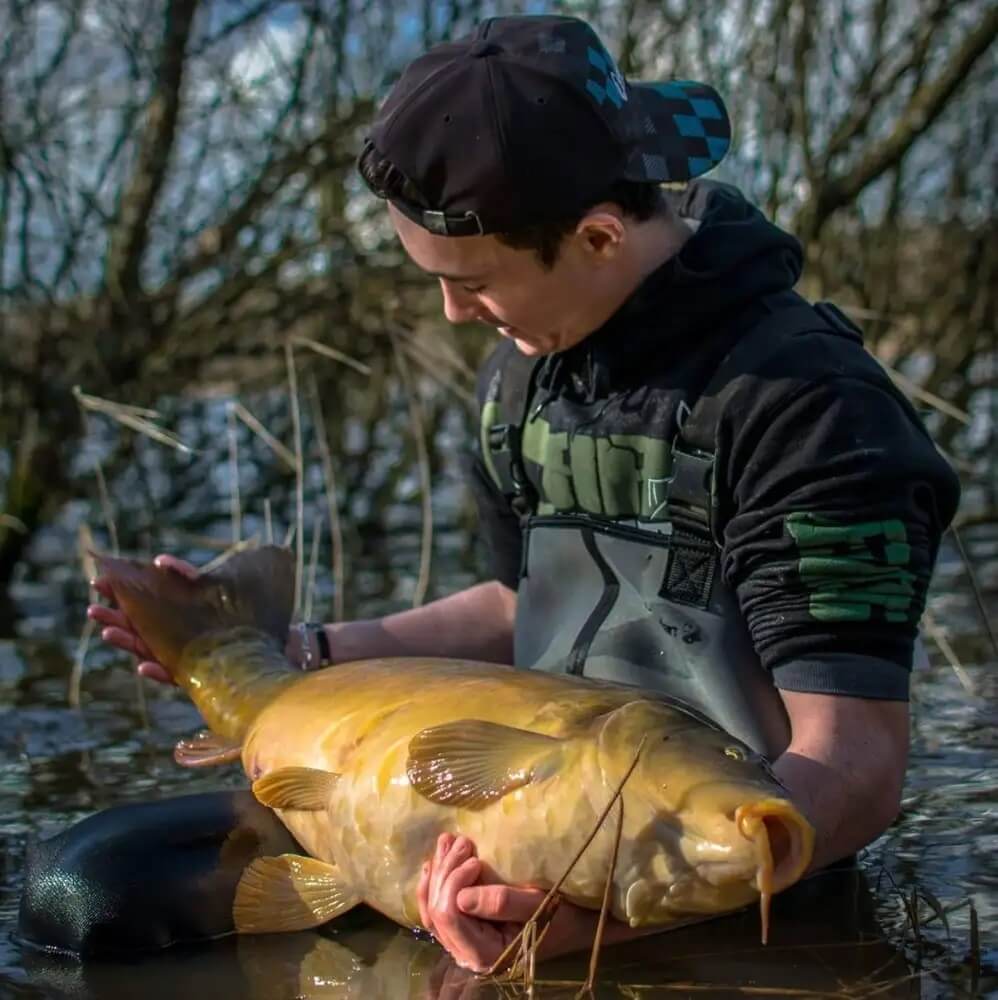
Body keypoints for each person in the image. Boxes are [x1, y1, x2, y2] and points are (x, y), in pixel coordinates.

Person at [86, 14, 960, 974]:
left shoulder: (813, 410)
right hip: (491, 805)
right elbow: (517, 605)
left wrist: (610, 923)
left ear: (596, 234)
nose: (456, 315)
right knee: (83, 892)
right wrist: (301, 652)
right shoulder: (525, 373)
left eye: (473, 284)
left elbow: (857, 761)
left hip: (701, 865)